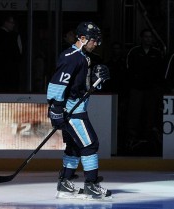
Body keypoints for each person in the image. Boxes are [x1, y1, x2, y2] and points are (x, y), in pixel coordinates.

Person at [46, 21, 111, 200]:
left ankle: (65, 183)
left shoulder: (82, 56)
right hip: (72, 112)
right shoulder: (72, 56)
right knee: (90, 144)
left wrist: (98, 81)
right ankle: (91, 185)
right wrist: (56, 110)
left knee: (74, 147)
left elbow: (80, 86)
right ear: (82, 38)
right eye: (94, 40)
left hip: (75, 108)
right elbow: (57, 83)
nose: (96, 44)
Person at [125, 29, 164, 155]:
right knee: (134, 113)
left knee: (150, 114)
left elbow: (160, 72)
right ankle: (131, 139)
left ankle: (149, 139)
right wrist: (133, 82)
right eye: (146, 37)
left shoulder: (157, 53)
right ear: (141, 38)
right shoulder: (134, 51)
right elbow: (128, 69)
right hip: (136, 88)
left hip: (151, 90)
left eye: (150, 37)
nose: (148, 39)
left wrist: (156, 87)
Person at [0, 14, 23, 93]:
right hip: (11, 72)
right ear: (5, 23)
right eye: (11, 22)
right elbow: (19, 54)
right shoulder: (14, 36)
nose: (13, 25)